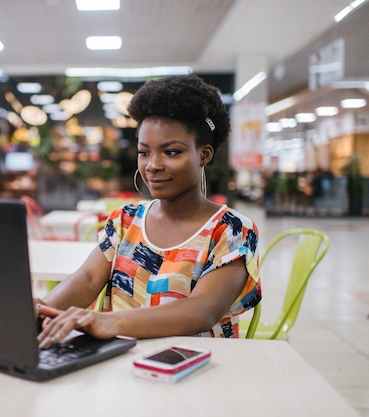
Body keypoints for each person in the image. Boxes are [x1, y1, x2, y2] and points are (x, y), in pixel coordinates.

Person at [36, 74, 261, 348]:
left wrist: (108, 322)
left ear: (204, 154)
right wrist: (43, 311)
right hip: (119, 365)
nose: (152, 165)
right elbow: (88, 277)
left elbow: (203, 310)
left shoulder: (231, 230)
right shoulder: (125, 220)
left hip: (194, 370)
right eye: (144, 152)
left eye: (171, 152)